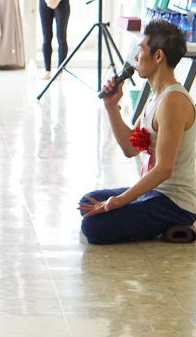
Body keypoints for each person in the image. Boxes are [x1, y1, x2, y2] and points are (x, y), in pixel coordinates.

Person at [79, 20, 196, 244]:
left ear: (158, 56)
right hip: (155, 193)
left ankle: (177, 223)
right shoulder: (156, 95)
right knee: (89, 201)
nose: (135, 57)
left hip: (174, 202)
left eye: (141, 50)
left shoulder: (173, 101)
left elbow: (164, 169)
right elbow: (131, 148)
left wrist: (119, 201)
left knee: (93, 226)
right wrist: (112, 106)